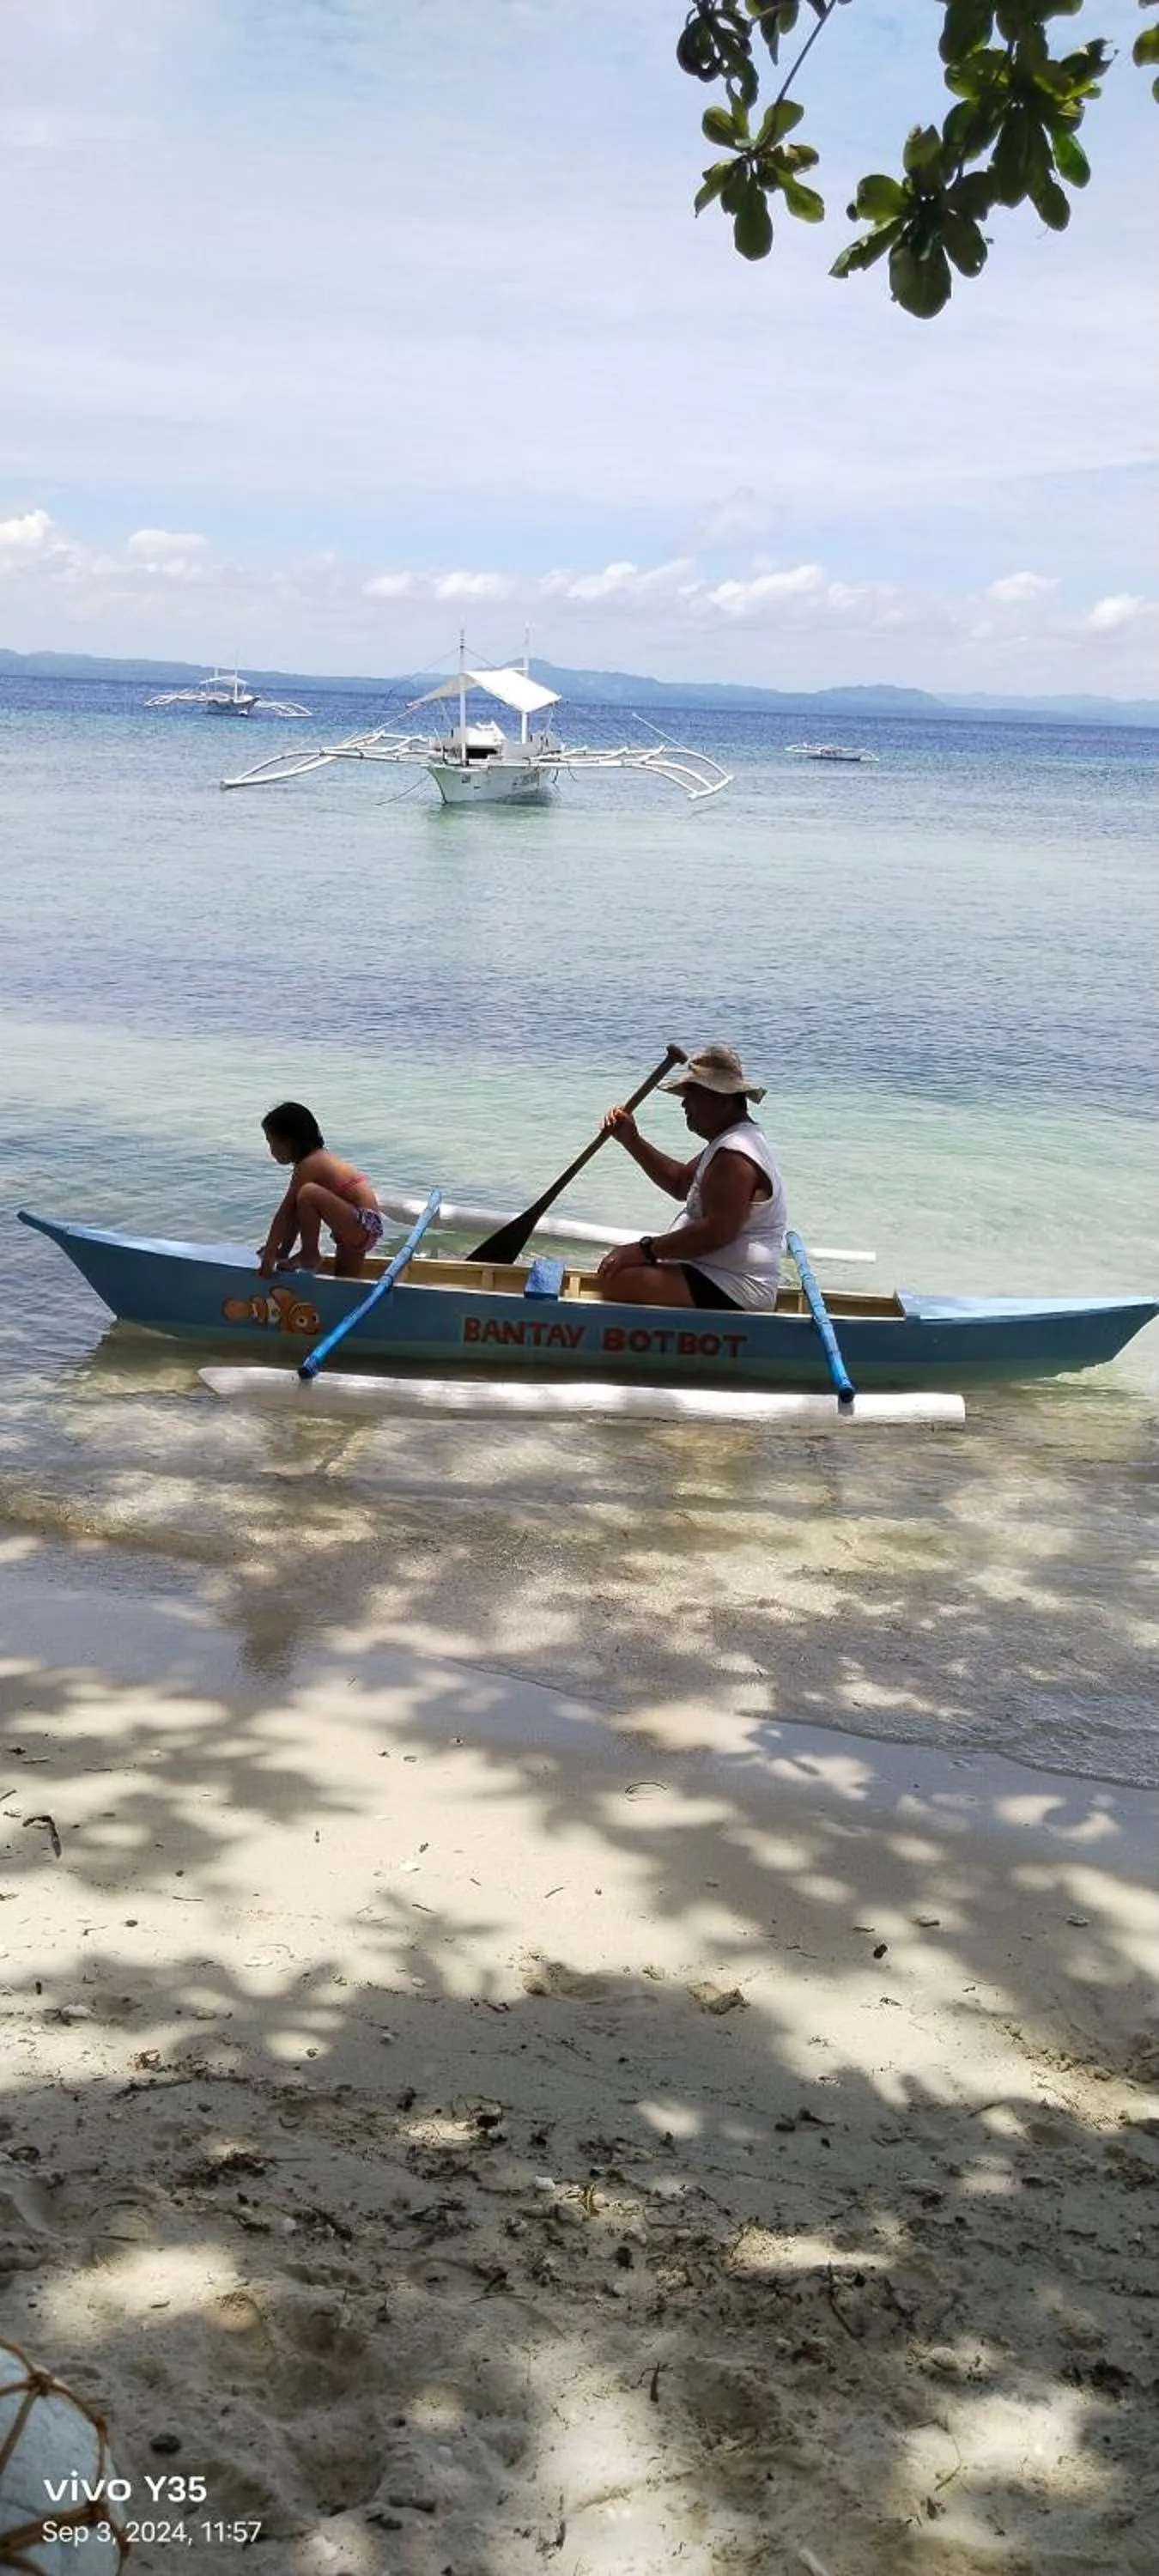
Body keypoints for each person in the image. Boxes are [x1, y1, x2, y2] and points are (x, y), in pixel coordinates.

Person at [595, 1042, 786, 1310]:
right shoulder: (728, 1141)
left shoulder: (734, 1156)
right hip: (713, 1274)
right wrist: (632, 1140)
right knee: (616, 1272)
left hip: (737, 1287)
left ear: (720, 1098)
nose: (684, 1103)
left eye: (691, 1093)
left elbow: (716, 1232)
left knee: (616, 1281)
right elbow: (681, 1183)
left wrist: (645, 1249)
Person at [258, 1102, 384, 1279]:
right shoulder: (315, 1160)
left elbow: (284, 1213)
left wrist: (269, 1257)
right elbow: (293, 1215)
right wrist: (282, 1251)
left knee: (308, 1193)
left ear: (289, 1142)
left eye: (272, 1143)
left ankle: (310, 1253)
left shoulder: (309, 1164)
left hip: (361, 1221)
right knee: (345, 1283)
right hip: (355, 1225)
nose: (271, 1151)